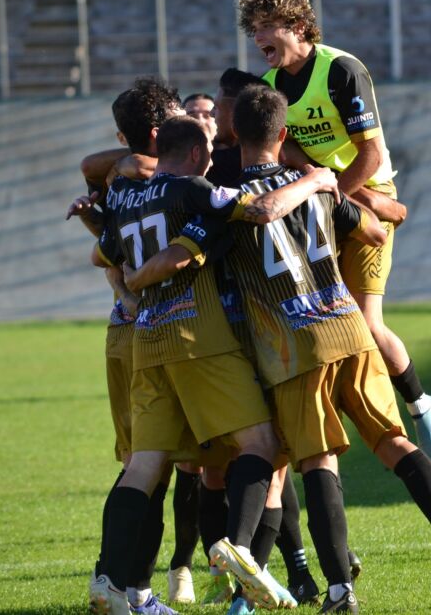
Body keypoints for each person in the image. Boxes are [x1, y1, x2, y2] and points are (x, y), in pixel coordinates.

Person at [133, 87, 431, 613]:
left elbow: (199, 256)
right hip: (350, 328)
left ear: (234, 135)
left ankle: (339, 589)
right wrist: (331, 187)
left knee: (318, 463)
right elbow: (375, 235)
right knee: (393, 443)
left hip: (294, 346)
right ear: (284, 135)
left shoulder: (231, 201)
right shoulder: (315, 188)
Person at [90, 113, 341, 615]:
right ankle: (239, 550)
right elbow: (263, 209)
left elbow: (105, 258)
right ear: (198, 154)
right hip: (197, 338)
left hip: (146, 341)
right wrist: (316, 178)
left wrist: (131, 289)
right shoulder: (193, 190)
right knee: (261, 443)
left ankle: (110, 583)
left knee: (143, 467)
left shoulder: (125, 198)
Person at [237, 0, 431, 466]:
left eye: (269, 25)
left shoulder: (341, 70)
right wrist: (320, 186)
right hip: (331, 198)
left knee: (366, 323)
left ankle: (418, 404)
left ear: (299, 27)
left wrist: (348, 195)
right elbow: (286, 149)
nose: (260, 36)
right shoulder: (270, 83)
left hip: (357, 195)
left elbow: (369, 153)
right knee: (324, 314)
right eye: (255, 29)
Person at [68, 77, 183, 615]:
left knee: (149, 463)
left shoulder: (122, 176)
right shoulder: (169, 177)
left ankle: (125, 584)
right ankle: (124, 583)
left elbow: (94, 167)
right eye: (187, 116)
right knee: (150, 463)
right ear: (162, 130)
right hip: (157, 330)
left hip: (130, 330)